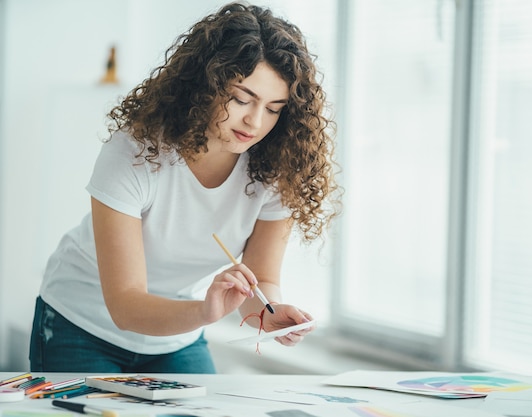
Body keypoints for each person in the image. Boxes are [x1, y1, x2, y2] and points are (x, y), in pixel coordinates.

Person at [29, 2, 340, 373]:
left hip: (177, 334)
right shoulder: (137, 152)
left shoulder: (277, 170)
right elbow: (126, 306)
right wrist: (204, 312)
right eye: (242, 98)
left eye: (274, 108)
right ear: (205, 85)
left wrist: (268, 313)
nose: (255, 121)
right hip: (81, 324)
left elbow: (264, 279)